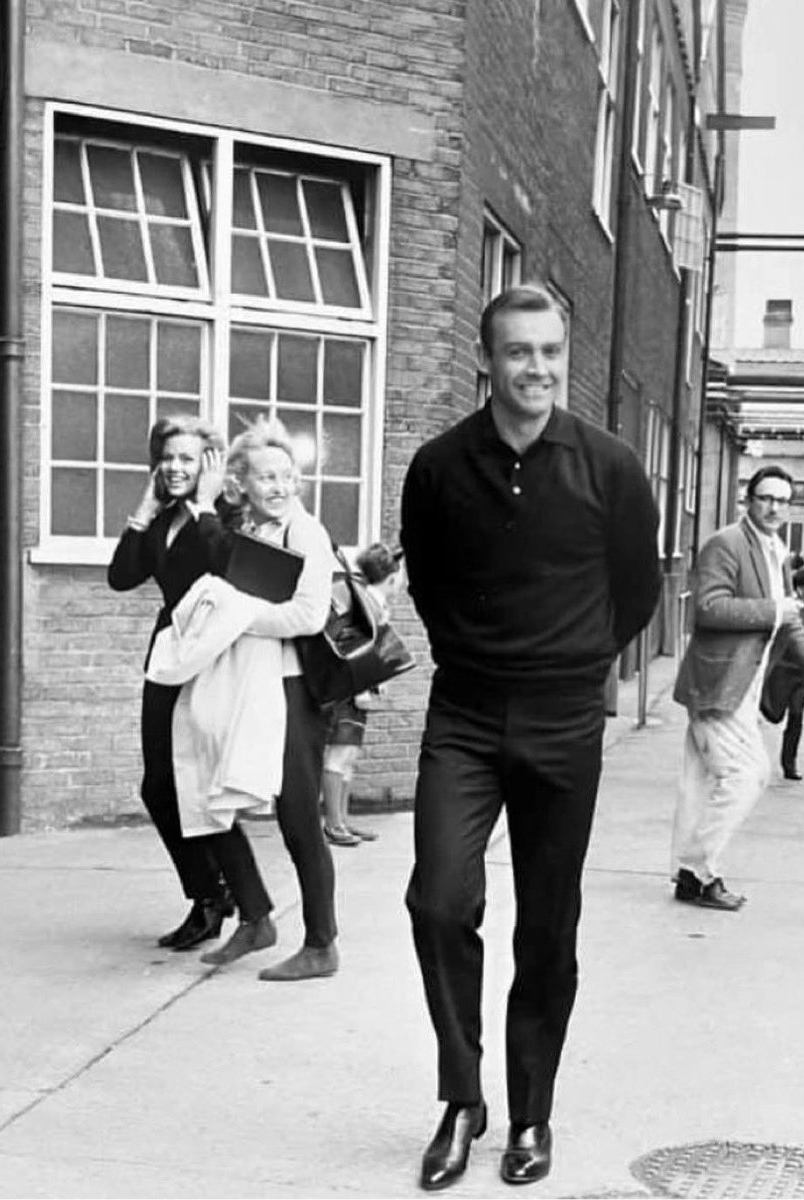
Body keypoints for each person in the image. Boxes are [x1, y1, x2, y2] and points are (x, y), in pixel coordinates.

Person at [400, 284, 662, 1191]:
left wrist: (575, 660)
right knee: (438, 901)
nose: (538, 369)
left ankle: (530, 1114)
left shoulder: (610, 466)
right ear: (489, 359)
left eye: (550, 352)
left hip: (561, 718)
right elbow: (429, 586)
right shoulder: (438, 467)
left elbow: (637, 589)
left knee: (547, 927)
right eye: (520, 352)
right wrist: (479, 656)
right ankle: (461, 1096)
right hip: (465, 715)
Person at [197, 416, 343, 981]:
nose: (280, 487)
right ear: (243, 483)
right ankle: (256, 917)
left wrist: (238, 619)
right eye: (266, 478)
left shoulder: (305, 533)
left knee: (299, 814)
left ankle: (322, 943)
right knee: (215, 796)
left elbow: (307, 616)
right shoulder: (252, 528)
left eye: (287, 476)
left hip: (294, 688)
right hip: (253, 683)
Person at [671, 465, 804, 912]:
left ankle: (688, 876)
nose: (775, 507)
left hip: (743, 685)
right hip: (718, 684)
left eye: (783, 500)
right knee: (748, 775)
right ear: (749, 500)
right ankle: (699, 871)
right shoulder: (726, 544)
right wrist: (772, 608)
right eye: (766, 498)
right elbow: (708, 609)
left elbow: (788, 616)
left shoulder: (775, 549)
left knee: (701, 783)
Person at [107, 415, 237, 952]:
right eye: (168, 458)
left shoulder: (227, 515)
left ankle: (215, 897)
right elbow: (121, 577)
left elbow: (224, 565)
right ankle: (211, 890)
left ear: (209, 463)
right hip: (169, 653)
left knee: (202, 783)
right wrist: (142, 511)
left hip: (213, 654)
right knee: (157, 785)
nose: (176, 467)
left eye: (188, 458)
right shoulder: (163, 521)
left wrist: (207, 504)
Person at [321, 542, 402, 847]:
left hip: (358, 690)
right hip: (349, 691)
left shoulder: (372, 601)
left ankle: (342, 819)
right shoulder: (365, 602)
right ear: (391, 577)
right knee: (338, 754)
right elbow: (354, 649)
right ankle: (333, 823)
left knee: (349, 756)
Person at [760, 564, 804, 781]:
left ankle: (789, 764)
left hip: (801, 676)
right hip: (780, 671)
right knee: (774, 715)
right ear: (800, 590)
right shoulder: (789, 612)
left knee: (797, 716)